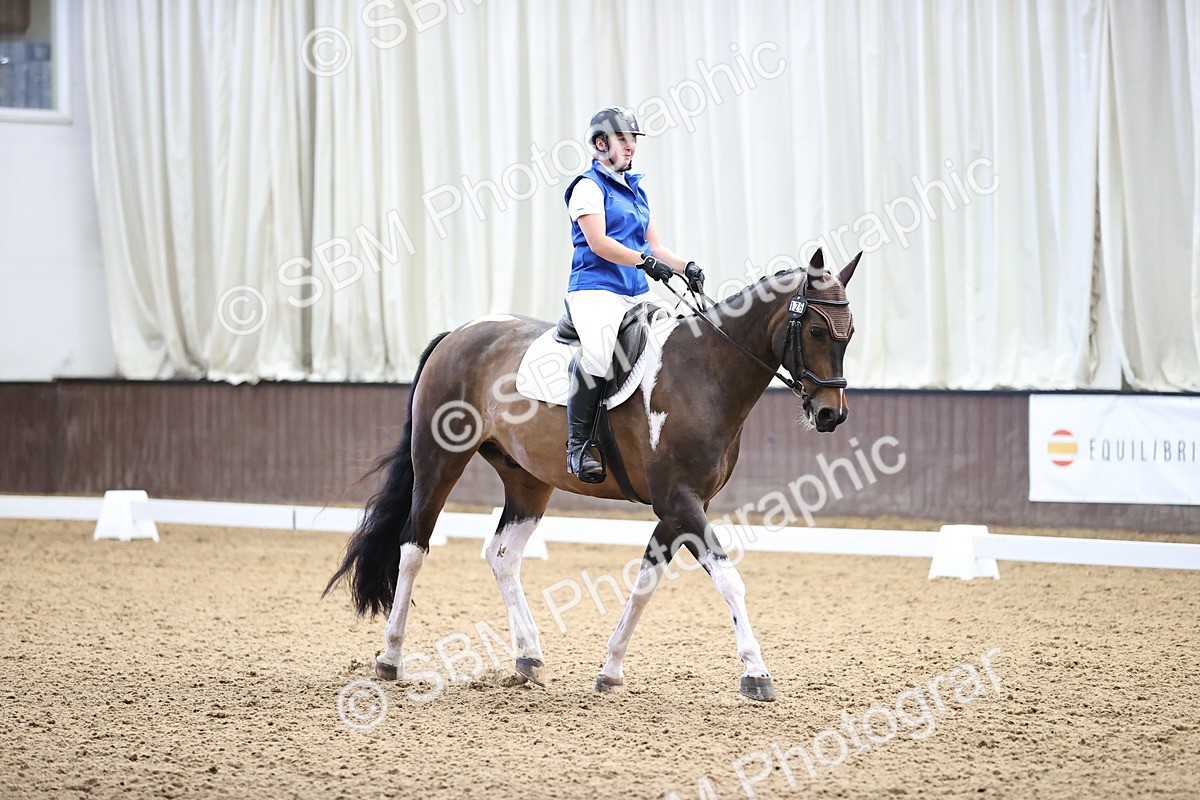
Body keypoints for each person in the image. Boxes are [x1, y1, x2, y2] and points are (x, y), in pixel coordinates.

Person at [563, 106, 705, 483]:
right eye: (622, 139)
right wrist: (643, 261)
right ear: (599, 143)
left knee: (678, 339)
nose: (630, 148)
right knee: (598, 352)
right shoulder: (587, 187)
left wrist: (684, 266)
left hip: (634, 292)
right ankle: (578, 444)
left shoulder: (636, 188)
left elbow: (654, 246)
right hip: (595, 289)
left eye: (633, 141)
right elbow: (598, 243)